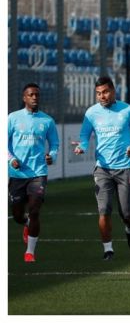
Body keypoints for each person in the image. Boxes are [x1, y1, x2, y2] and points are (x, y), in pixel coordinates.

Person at [73, 76, 130, 260]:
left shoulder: (127, 110)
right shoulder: (91, 113)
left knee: (126, 213)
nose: (102, 96)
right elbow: (84, 137)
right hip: (102, 169)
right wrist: (81, 147)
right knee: (104, 210)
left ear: (113, 91)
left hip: (124, 168)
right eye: (98, 93)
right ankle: (108, 249)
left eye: (105, 92)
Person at [8, 83, 59, 263]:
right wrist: (10, 159)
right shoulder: (12, 118)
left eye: (37, 94)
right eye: (31, 95)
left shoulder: (47, 121)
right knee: (17, 215)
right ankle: (26, 224)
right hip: (17, 174)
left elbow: (54, 145)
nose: (35, 97)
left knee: (35, 210)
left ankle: (30, 252)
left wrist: (51, 156)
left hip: (38, 173)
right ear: (24, 98)